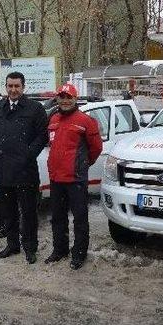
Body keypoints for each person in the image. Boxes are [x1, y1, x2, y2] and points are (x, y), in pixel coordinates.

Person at [0, 71, 48, 264]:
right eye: (10, 86)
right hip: (4, 170)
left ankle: (30, 248)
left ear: (23, 87)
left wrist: (28, 154)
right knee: (8, 211)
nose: (13, 90)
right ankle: (12, 245)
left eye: (17, 86)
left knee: (28, 212)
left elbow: (42, 136)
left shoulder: (34, 108)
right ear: (6, 87)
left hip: (26, 170)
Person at [45, 83, 102, 270]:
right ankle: (60, 250)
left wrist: (84, 164)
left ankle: (79, 254)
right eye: (62, 97)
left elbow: (96, 148)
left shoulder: (85, 121)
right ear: (57, 99)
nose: (65, 100)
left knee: (79, 219)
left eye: (69, 97)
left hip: (76, 179)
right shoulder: (53, 119)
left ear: (75, 99)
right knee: (58, 217)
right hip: (56, 178)